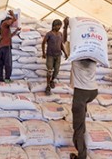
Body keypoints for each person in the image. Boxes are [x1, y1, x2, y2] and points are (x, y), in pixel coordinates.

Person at [63, 17, 98, 159]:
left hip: (81, 93)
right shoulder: (94, 56)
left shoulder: (75, 57)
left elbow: (64, 41)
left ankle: (81, 156)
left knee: (78, 128)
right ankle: (82, 118)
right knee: (81, 115)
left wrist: (66, 27)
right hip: (93, 91)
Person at [42, 19, 68, 95]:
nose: (59, 27)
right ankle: (48, 86)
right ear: (53, 26)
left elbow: (61, 44)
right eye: (57, 25)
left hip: (58, 55)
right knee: (49, 70)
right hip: (50, 55)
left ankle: (52, 80)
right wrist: (43, 53)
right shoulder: (49, 34)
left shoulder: (60, 34)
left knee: (56, 70)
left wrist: (65, 53)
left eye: (60, 25)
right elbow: (43, 43)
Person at [0, 10, 20, 83]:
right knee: (8, 64)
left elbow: (9, 36)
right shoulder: (5, 23)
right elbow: (14, 20)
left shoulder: (3, 27)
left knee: (0, 64)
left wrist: (16, 31)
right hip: (6, 47)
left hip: (1, 47)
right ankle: (7, 78)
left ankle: (0, 79)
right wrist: (13, 14)